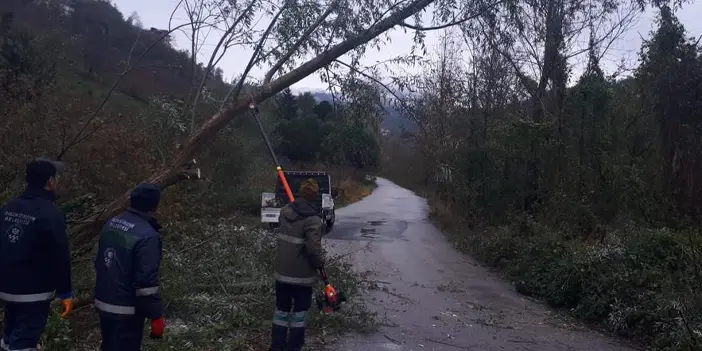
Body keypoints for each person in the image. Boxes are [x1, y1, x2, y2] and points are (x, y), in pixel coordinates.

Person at [0, 158, 74, 351]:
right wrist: (65, 292)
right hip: (33, 292)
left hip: (6, 288)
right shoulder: (51, 213)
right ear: (50, 181)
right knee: (24, 340)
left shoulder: (8, 207)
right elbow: (60, 256)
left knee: (9, 335)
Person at [94, 183, 165, 351]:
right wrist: (156, 315)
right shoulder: (147, 236)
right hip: (126, 310)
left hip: (103, 302)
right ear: (154, 205)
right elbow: (146, 283)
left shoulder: (113, 222)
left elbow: (99, 261)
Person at [270, 178, 325, 351]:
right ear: (315, 196)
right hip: (302, 276)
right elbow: (313, 249)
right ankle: (294, 347)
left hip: (281, 272)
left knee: (281, 312)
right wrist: (321, 263)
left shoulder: (285, 211)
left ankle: (277, 346)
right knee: (299, 314)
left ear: (300, 192)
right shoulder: (313, 219)